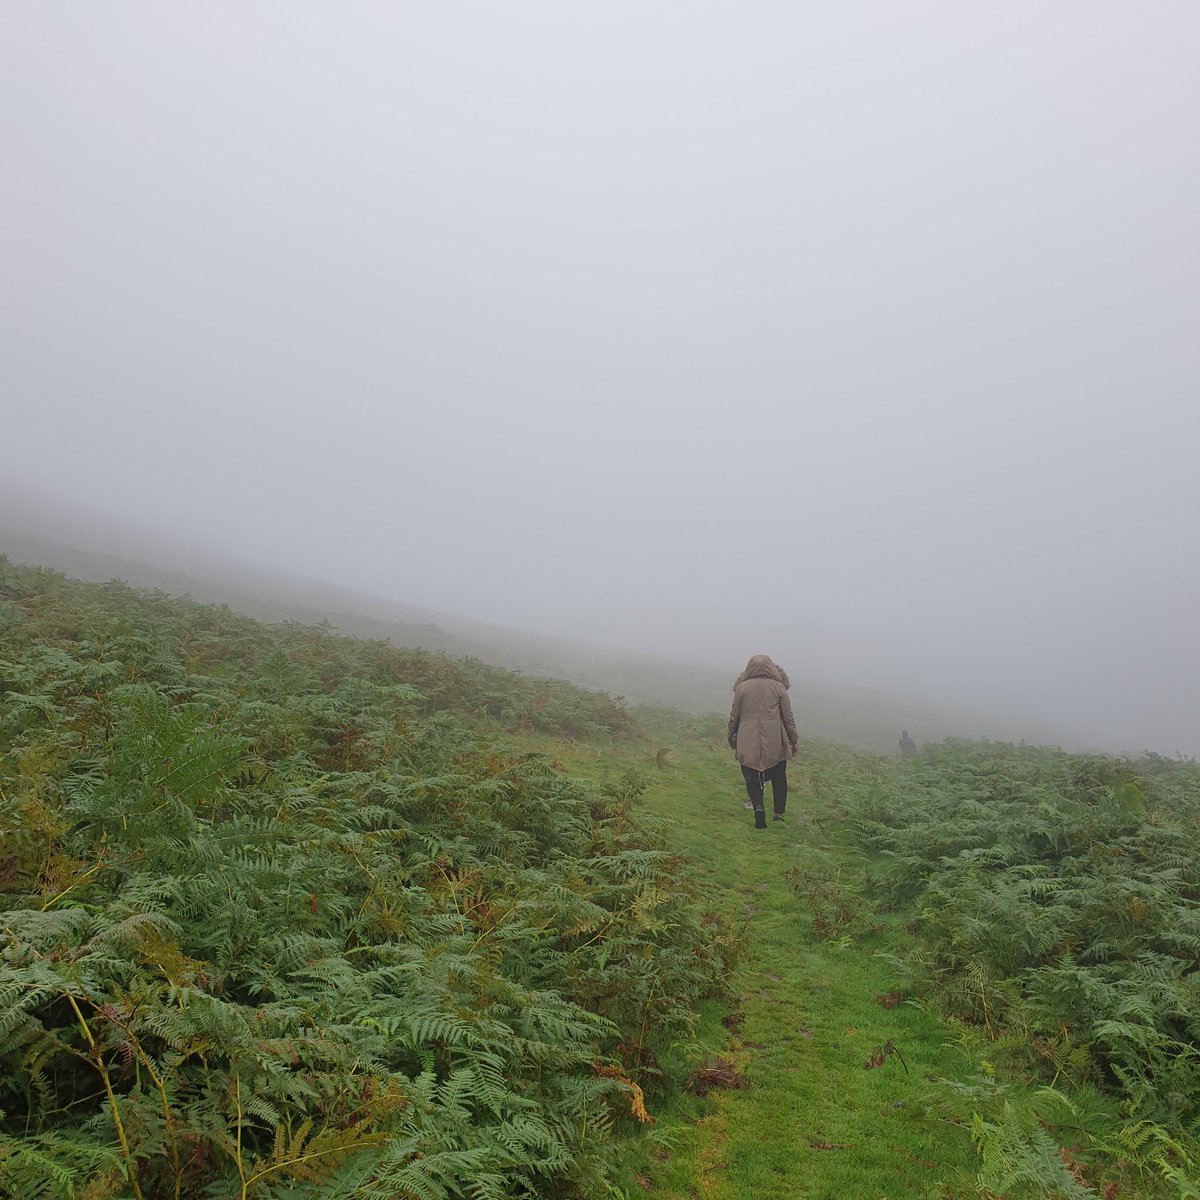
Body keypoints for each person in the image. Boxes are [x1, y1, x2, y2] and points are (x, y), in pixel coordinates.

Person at [728, 654, 799, 829]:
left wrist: (731, 736)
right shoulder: (779, 688)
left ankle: (758, 807)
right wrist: (793, 740)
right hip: (775, 738)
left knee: (751, 776)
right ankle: (778, 814)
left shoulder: (741, 688)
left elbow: (734, 716)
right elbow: (788, 717)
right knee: (779, 775)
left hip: (747, 737)